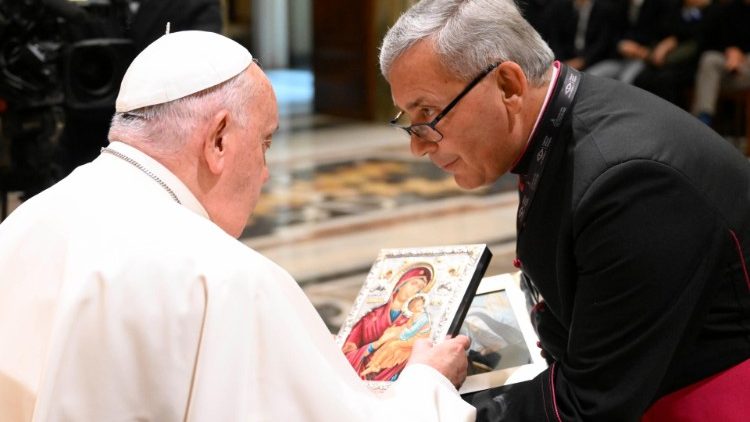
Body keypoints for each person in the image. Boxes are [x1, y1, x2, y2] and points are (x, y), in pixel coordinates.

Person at [0, 31, 474, 421]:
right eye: (264, 143)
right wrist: (427, 382)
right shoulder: (225, 279)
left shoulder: (26, 222)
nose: (265, 173)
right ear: (219, 140)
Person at [379, 0, 750, 420]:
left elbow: (588, 406)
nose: (418, 146)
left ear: (508, 85)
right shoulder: (562, 118)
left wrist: (431, 404)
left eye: (428, 113)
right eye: (408, 120)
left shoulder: (630, 183)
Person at [342, 264, 435, 381]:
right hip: (357, 376)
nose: (417, 290)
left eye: (421, 288)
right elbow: (344, 355)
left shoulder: (414, 319)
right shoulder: (370, 317)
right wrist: (374, 345)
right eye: (414, 284)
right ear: (401, 283)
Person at [691, 0, 750, 127]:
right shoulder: (729, 9)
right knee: (709, 59)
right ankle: (703, 119)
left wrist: (741, 55)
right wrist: (730, 50)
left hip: (747, 63)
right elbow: (713, 40)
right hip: (730, 67)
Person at [361, 294, 432, 378]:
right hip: (409, 336)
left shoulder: (423, 317)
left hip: (417, 340)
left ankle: (377, 365)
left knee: (393, 345)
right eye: (417, 305)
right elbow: (407, 327)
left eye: (421, 305)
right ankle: (375, 364)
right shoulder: (415, 315)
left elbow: (411, 331)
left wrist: (398, 336)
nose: (420, 307)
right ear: (413, 307)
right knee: (389, 340)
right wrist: (396, 331)